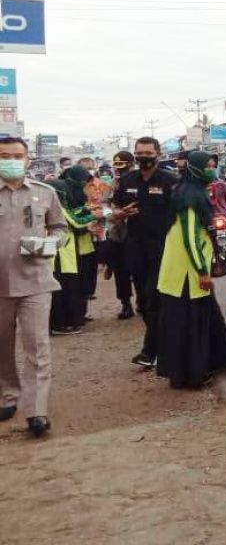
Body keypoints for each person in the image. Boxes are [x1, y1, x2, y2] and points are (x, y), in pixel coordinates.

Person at [0, 135, 66, 437]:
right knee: (2, 347)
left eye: (17, 156)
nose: (11, 161)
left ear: (28, 160)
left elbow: (60, 228)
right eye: (4, 156)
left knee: (37, 348)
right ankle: (8, 396)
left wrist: (50, 243)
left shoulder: (46, 193)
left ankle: (36, 410)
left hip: (36, 282)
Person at [155, 151, 226, 389]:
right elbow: (190, 238)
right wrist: (202, 272)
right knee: (189, 324)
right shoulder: (190, 195)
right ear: (195, 169)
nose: (212, 169)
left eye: (214, 165)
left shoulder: (193, 190)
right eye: (208, 166)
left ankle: (212, 361)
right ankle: (191, 375)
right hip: (186, 271)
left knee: (199, 317)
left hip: (183, 267)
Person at [113, 136, 178, 368]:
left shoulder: (170, 181)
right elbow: (114, 206)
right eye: (139, 154)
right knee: (143, 300)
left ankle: (151, 351)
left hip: (164, 249)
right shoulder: (127, 179)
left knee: (154, 298)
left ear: (158, 154)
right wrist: (119, 214)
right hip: (135, 247)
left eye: (148, 154)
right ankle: (156, 347)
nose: (144, 158)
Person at [50, 166, 98, 334]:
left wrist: (86, 211)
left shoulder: (59, 205)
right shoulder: (57, 206)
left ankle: (68, 321)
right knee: (63, 289)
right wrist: (95, 216)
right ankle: (61, 325)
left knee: (67, 288)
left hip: (66, 252)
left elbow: (74, 214)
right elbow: (75, 222)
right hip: (61, 254)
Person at [105, 151, 137, 319]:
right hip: (118, 233)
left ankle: (144, 301)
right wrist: (116, 213)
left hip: (140, 232)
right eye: (118, 168)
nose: (121, 172)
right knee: (121, 271)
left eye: (124, 167)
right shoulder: (113, 184)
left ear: (132, 165)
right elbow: (104, 207)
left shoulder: (143, 181)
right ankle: (126, 303)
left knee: (143, 270)